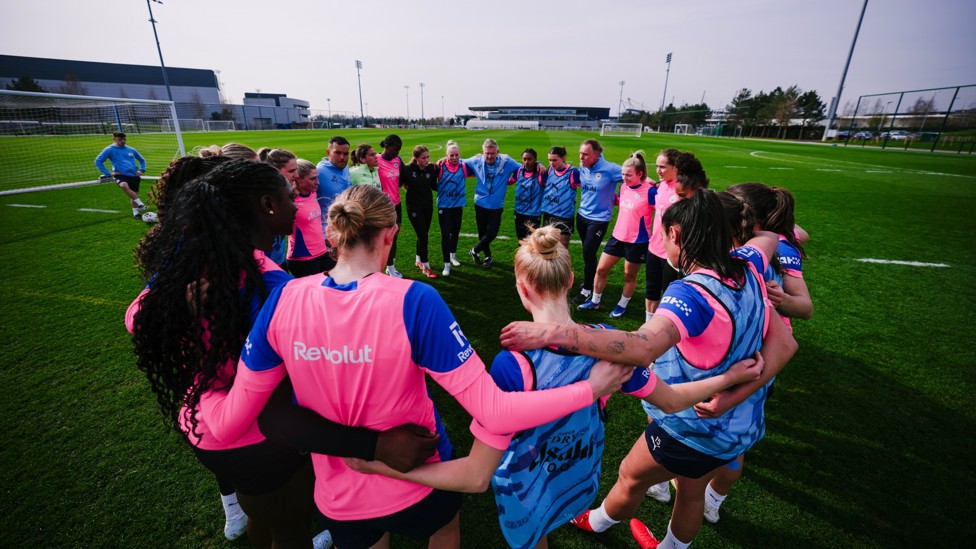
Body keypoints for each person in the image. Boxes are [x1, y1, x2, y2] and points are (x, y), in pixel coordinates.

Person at [202, 185, 634, 549]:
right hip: (422, 477)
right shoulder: (415, 300)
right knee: (444, 531)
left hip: (340, 490)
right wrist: (589, 388)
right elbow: (496, 411)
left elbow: (229, 421)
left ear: (333, 235)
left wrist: (195, 391)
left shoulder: (284, 299)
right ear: (391, 234)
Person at [344, 225, 763, 549]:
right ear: (570, 280)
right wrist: (729, 378)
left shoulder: (514, 365)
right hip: (577, 478)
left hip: (527, 491)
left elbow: (476, 477)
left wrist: (376, 463)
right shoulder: (610, 343)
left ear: (522, 287)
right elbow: (671, 401)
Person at [128, 160, 436, 548]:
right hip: (257, 444)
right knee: (291, 535)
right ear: (267, 206)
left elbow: (137, 313)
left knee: (264, 517)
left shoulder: (196, 263)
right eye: (290, 196)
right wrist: (377, 445)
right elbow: (275, 414)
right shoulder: (270, 286)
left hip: (204, 431)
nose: (298, 205)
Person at [500, 190, 798, 549]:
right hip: (739, 426)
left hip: (691, 426)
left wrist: (556, 332)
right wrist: (736, 389)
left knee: (630, 475)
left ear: (675, 235)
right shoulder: (751, 262)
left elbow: (641, 348)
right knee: (691, 492)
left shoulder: (692, 294)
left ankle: (597, 521)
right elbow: (772, 247)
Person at [694, 184, 813, 526]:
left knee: (733, 432)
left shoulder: (777, 250)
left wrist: (780, 298)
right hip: (731, 347)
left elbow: (805, 308)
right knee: (713, 419)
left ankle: (711, 499)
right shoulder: (734, 243)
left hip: (760, 353)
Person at [578, 152, 655, 320]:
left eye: (628, 175)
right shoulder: (624, 187)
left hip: (637, 240)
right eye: (623, 174)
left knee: (629, 275)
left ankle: (622, 304)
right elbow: (621, 201)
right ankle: (595, 301)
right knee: (601, 269)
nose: (624, 178)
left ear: (640, 174)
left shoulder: (650, 192)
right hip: (617, 236)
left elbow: (662, 211)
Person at [572, 139, 623, 304]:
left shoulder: (611, 169)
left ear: (596, 154)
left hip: (599, 220)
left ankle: (587, 289)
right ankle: (589, 280)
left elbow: (633, 175)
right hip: (581, 216)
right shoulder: (583, 167)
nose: (581, 157)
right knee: (587, 254)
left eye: (585, 154)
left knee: (588, 252)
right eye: (580, 153)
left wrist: (652, 183)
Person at [467, 138, 522, 268]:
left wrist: (539, 164)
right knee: (482, 232)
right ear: (482, 152)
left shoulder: (507, 161)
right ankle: (488, 256)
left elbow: (523, 168)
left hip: (496, 205)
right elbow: (458, 162)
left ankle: (474, 251)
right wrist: (442, 160)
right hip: (480, 203)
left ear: (498, 152)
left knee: (492, 232)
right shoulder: (476, 160)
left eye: (493, 153)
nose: (490, 156)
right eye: (487, 153)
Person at [645, 148, 681, 321]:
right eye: (657, 166)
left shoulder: (683, 191)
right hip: (653, 247)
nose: (658, 170)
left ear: (676, 167)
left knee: (669, 296)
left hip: (671, 254)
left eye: (663, 167)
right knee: (651, 291)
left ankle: (666, 329)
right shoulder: (661, 187)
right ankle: (648, 325)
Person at [287, 159, 332, 277]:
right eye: (313, 179)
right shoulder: (290, 201)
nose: (318, 182)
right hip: (303, 258)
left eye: (317, 177)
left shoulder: (312, 193)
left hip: (323, 252)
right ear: (298, 179)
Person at [401, 145, 439, 278]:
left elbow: (434, 186)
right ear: (416, 158)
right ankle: (426, 265)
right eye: (423, 158)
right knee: (423, 235)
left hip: (428, 206)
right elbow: (397, 183)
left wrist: (449, 187)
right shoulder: (408, 170)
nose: (427, 160)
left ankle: (418, 259)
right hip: (413, 207)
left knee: (423, 234)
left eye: (428, 157)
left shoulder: (432, 169)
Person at [435, 140, 473, 276]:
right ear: (446, 155)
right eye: (451, 155)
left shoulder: (463, 166)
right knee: (446, 235)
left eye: (457, 155)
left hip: (458, 205)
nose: (454, 158)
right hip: (444, 206)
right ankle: (446, 264)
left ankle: (453, 256)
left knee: (455, 232)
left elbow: (479, 164)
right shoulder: (439, 166)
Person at [259, 147, 299, 270]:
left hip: (279, 261)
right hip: (263, 266)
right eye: (291, 171)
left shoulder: (284, 194)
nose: (296, 175)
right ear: (275, 170)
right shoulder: (262, 199)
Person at [95, 131, 148, 219]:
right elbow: (98, 161)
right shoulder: (109, 149)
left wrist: (142, 169)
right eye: (120, 139)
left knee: (134, 194)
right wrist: (108, 173)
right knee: (123, 185)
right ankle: (141, 204)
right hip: (120, 174)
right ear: (114, 139)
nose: (122, 141)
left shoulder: (131, 150)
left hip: (134, 175)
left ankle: (136, 214)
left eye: (124, 139)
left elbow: (142, 160)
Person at [540, 146, 581, 250]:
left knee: (562, 248)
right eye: (549, 160)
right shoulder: (549, 169)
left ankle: (564, 267)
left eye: (554, 160)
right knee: (547, 245)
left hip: (564, 216)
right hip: (548, 214)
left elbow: (586, 187)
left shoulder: (573, 172)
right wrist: (538, 163)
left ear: (562, 158)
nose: (551, 163)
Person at [376, 134, 406, 277]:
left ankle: (391, 267)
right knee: (380, 238)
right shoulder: (375, 160)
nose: (397, 153)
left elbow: (403, 177)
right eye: (395, 149)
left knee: (393, 237)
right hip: (381, 208)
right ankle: (378, 267)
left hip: (396, 205)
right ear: (386, 147)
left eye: (399, 150)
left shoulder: (397, 160)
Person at [316, 135, 352, 235]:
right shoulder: (319, 172)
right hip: (327, 232)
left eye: (345, 154)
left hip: (345, 227)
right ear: (328, 152)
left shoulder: (345, 167)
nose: (342, 157)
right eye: (337, 153)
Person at [510, 148, 547, 241]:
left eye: (529, 159)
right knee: (521, 240)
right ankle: (521, 256)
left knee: (532, 242)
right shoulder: (519, 170)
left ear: (535, 160)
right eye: (524, 159)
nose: (526, 162)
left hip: (533, 214)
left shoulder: (540, 173)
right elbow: (510, 181)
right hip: (519, 212)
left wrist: (539, 163)